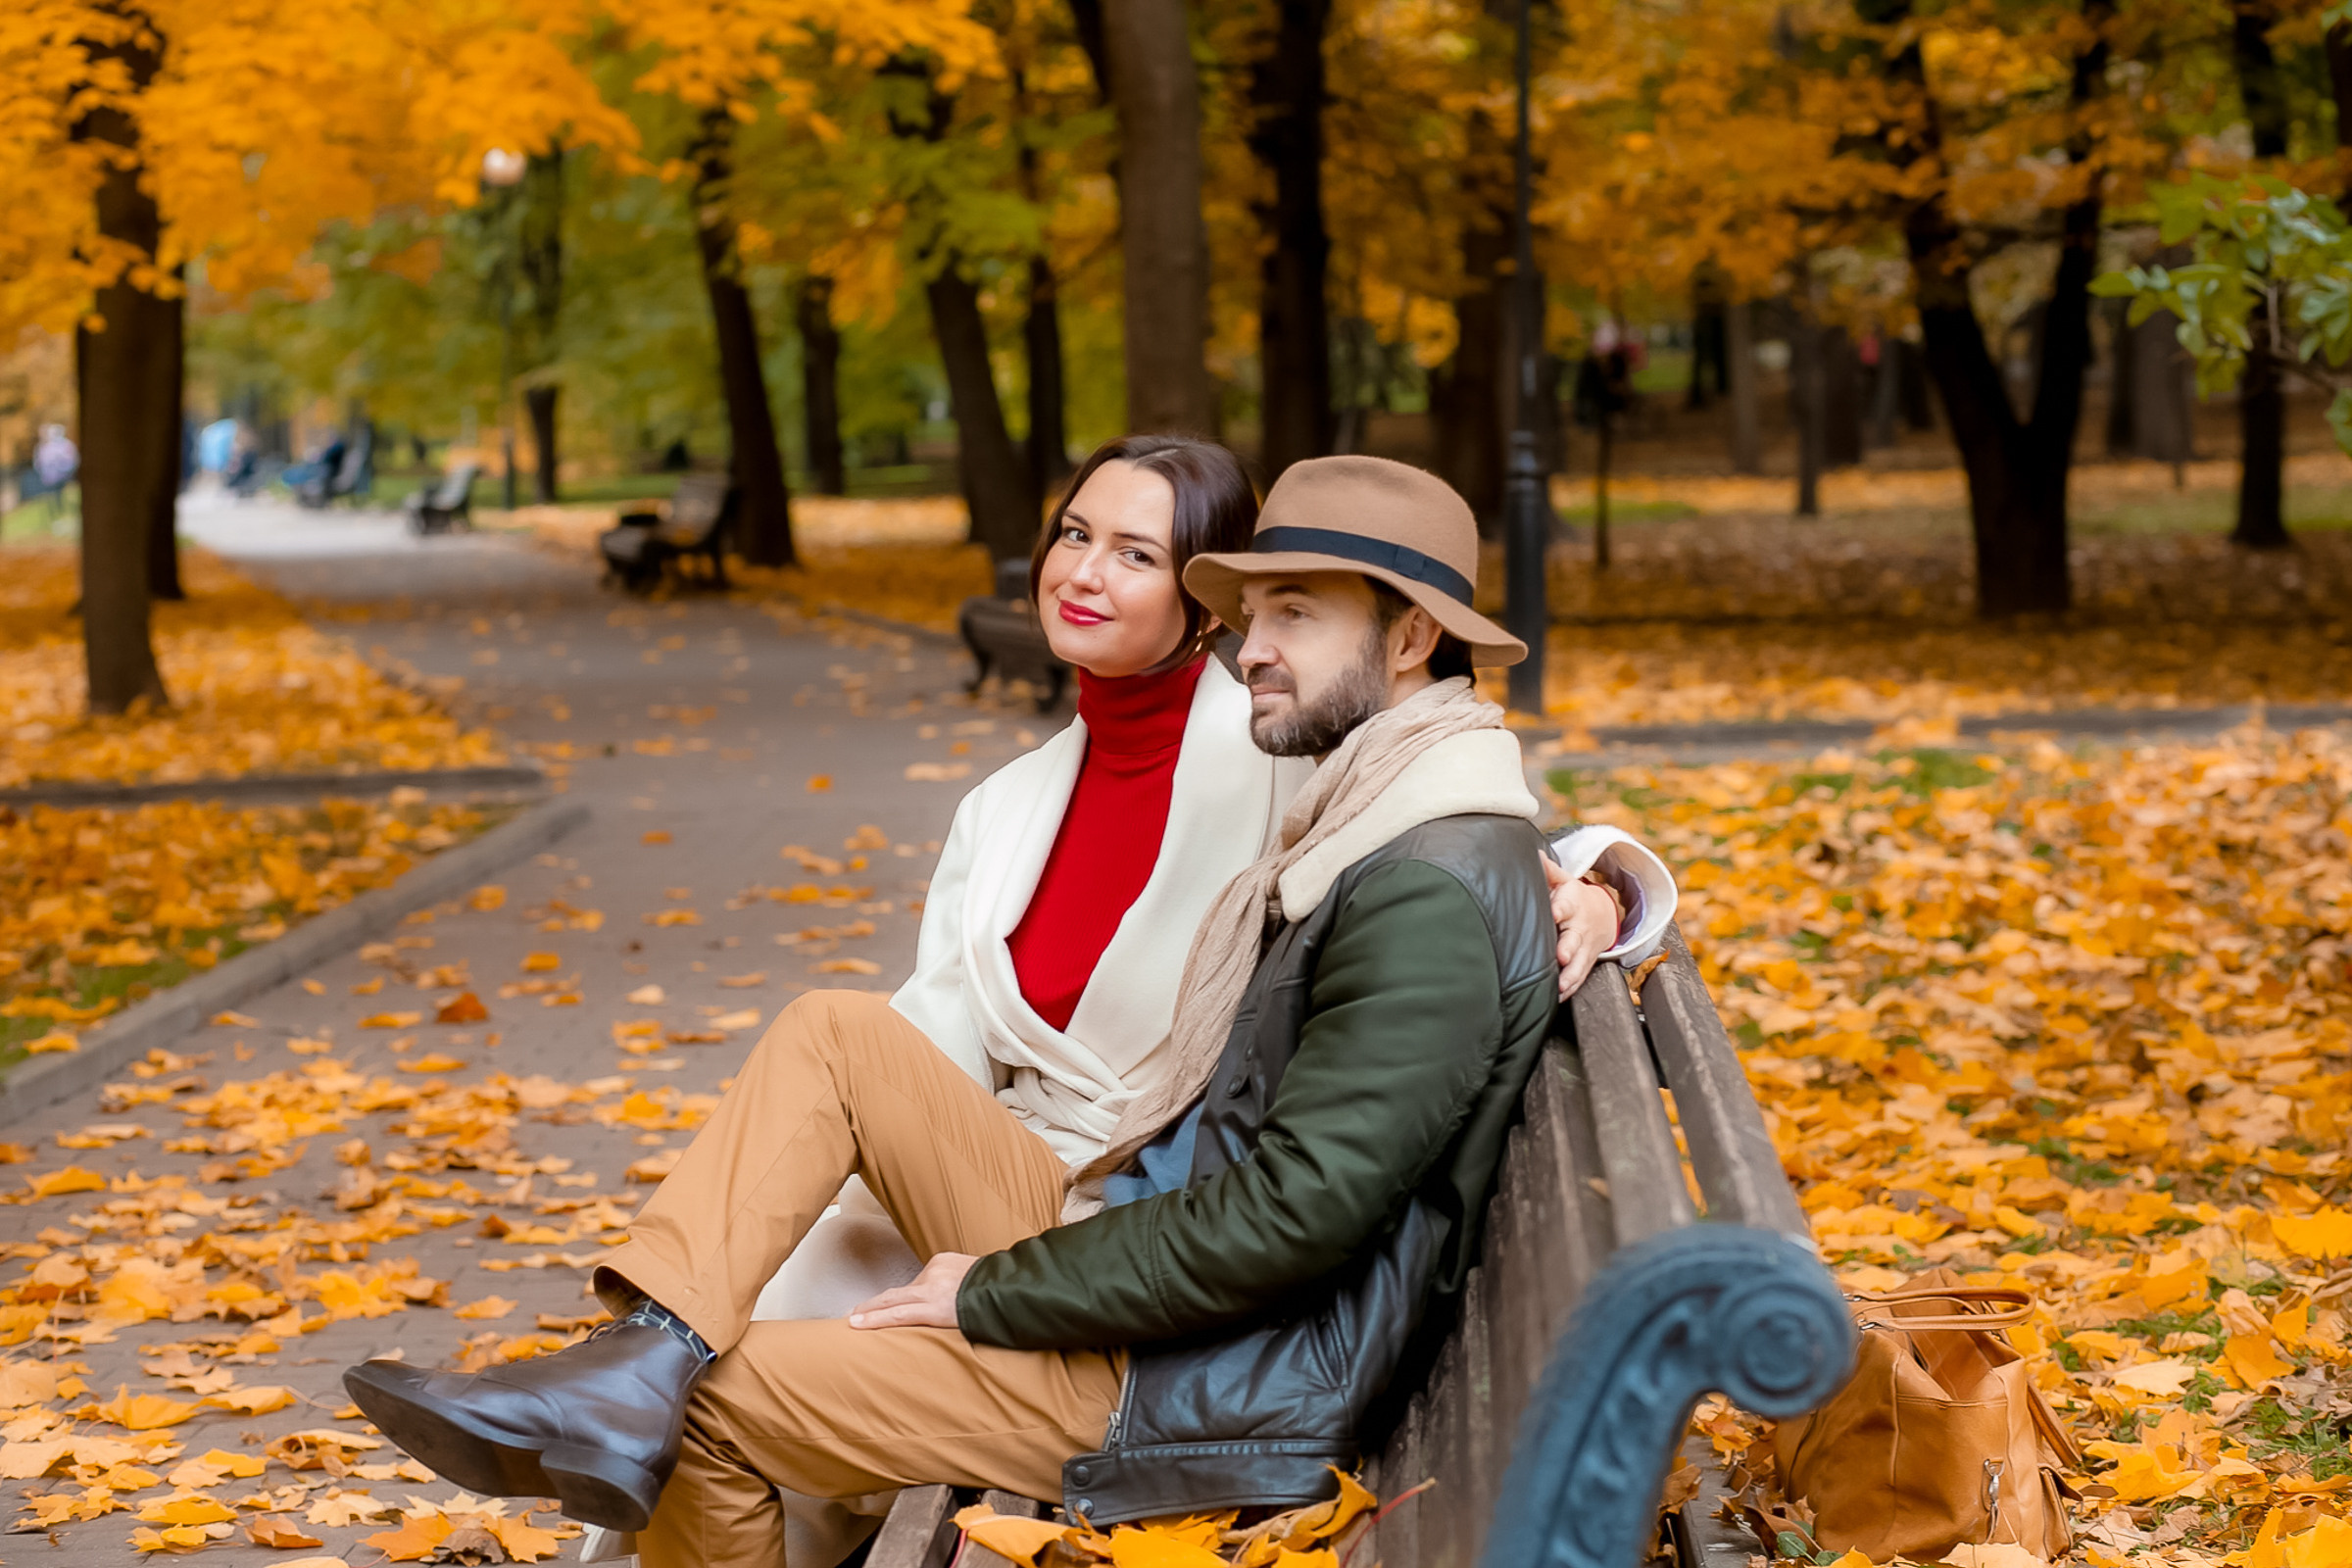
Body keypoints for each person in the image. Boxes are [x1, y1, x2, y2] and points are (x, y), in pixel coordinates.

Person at [342, 452, 1670, 1560]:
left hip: (1203, 1367)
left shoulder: (1393, 846)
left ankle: (651, 1377)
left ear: (1415, 636)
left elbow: (1292, 1217)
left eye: (1295, 616)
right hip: (1149, 1239)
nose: (1252, 649)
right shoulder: (1377, 791)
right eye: (1251, 616)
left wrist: (994, 1289)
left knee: (717, 1405)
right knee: (833, 1035)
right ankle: (641, 1343)